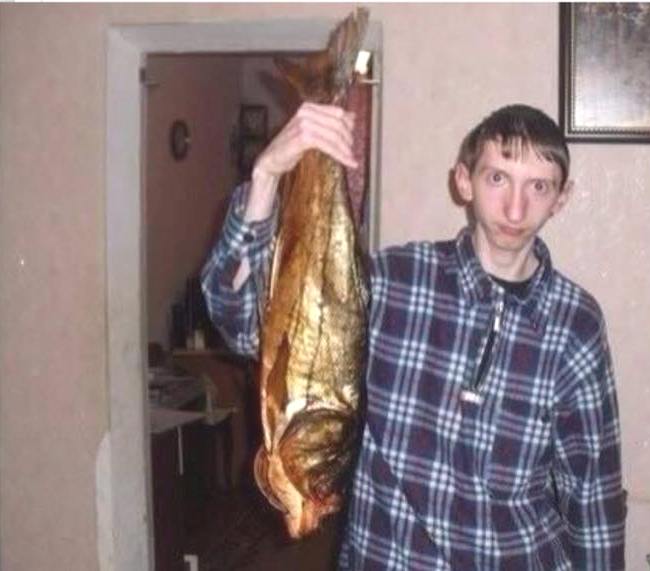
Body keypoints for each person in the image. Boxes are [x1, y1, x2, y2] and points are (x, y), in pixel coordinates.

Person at [201, 102, 626, 569]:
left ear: (561, 198)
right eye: (497, 178)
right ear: (463, 180)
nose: (515, 207)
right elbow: (241, 324)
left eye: (538, 186)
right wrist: (265, 178)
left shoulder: (576, 322)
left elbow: (593, 494)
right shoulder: (390, 283)